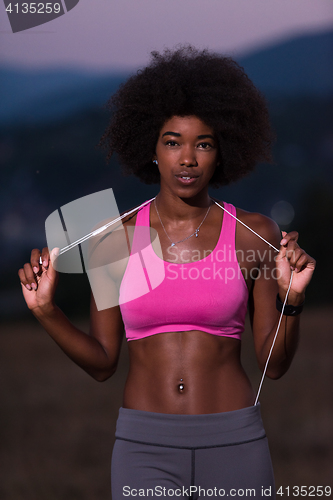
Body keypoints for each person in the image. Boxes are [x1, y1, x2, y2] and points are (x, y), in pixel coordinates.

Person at [18, 46, 315, 499]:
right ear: (151, 149)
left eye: (204, 143)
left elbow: (273, 366)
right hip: (143, 446)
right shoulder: (112, 238)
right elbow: (102, 362)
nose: (188, 158)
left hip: (234, 441)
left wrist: (291, 300)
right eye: (172, 141)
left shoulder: (252, 233)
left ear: (223, 152)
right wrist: (46, 311)